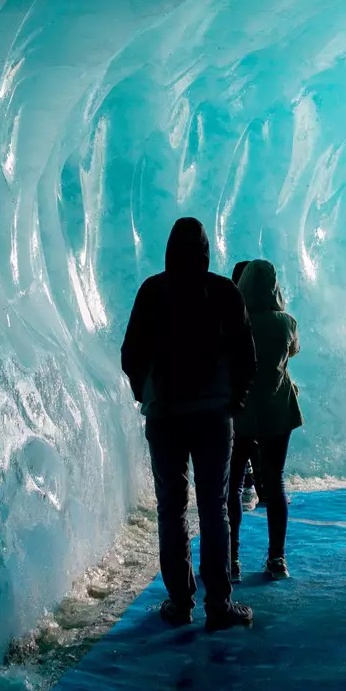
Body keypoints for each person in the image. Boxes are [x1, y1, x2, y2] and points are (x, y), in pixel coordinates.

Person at [121, 218, 257, 631]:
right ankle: (219, 605)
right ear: (205, 252)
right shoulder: (224, 291)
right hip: (214, 415)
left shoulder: (153, 291)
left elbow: (131, 353)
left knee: (172, 508)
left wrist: (145, 392)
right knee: (215, 507)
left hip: (165, 415)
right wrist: (236, 398)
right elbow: (246, 354)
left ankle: (180, 602)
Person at [227, 259, 302, 582]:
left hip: (241, 410)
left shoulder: (235, 321)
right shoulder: (287, 323)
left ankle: (231, 560)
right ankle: (277, 559)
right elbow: (292, 352)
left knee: (231, 485)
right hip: (278, 409)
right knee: (275, 481)